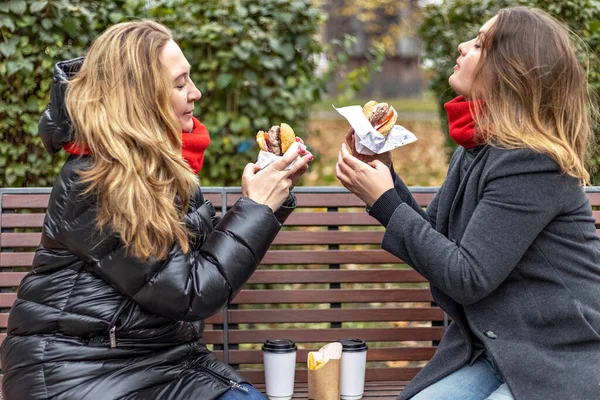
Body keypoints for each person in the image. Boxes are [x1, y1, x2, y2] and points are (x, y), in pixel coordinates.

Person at [0, 21, 313, 400]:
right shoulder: (96, 182)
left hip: (166, 361)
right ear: (139, 96)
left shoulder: (163, 164)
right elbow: (191, 292)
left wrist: (266, 203)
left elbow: (199, 259)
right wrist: (256, 207)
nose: (195, 93)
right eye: (180, 84)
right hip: (78, 373)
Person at [337, 6, 600, 400]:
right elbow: (437, 239)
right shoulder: (479, 148)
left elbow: (467, 277)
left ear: (511, 70)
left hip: (558, 359)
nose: (462, 47)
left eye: (479, 44)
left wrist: (384, 201)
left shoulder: (532, 161)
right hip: (494, 350)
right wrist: (384, 177)